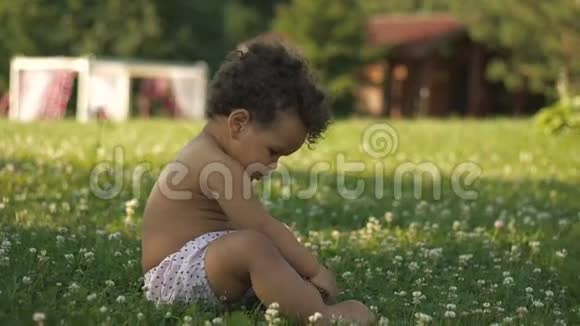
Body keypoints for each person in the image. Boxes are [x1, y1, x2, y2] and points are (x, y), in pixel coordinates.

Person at [141, 41, 375, 325]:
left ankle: (292, 295)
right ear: (239, 123)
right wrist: (313, 269)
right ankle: (320, 316)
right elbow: (260, 226)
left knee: (266, 243)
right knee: (255, 244)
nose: (274, 164)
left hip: (204, 264)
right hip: (174, 279)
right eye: (272, 151)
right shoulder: (214, 163)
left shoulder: (215, 153)